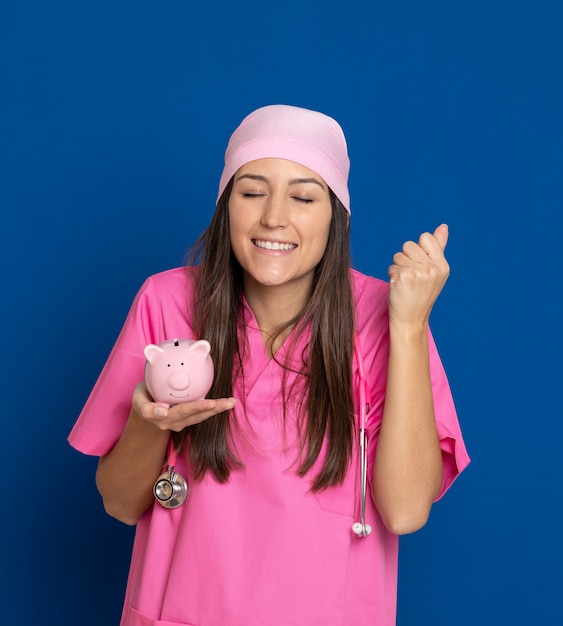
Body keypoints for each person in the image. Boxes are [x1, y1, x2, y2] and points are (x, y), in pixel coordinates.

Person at [68, 104, 470, 626]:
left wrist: (411, 327)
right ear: (225, 206)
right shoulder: (166, 303)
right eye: (252, 191)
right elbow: (120, 503)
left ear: (336, 216)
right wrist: (149, 426)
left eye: (303, 196)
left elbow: (406, 510)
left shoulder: (382, 316)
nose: (273, 217)